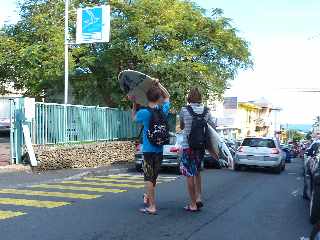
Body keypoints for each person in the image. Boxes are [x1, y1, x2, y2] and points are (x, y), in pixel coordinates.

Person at [132, 80, 170, 215]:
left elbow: (134, 118)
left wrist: (134, 103)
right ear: (158, 98)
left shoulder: (144, 112)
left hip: (148, 150)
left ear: (147, 98)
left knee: (148, 178)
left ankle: (152, 206)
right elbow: (167, 96)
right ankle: (148, 197)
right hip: (159, 149)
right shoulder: (163, 110)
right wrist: (159, 84)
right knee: (153, 178)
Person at [179, 88, 216, 212]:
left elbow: (182, 126)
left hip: (187, 147)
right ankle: (199, 197)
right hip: (200, 147)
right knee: (197, 171)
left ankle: (192, 204)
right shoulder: (207, 111)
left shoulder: (184, 110)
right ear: (200, 98)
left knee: (189, 174)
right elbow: (213, 126)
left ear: (189, 98)